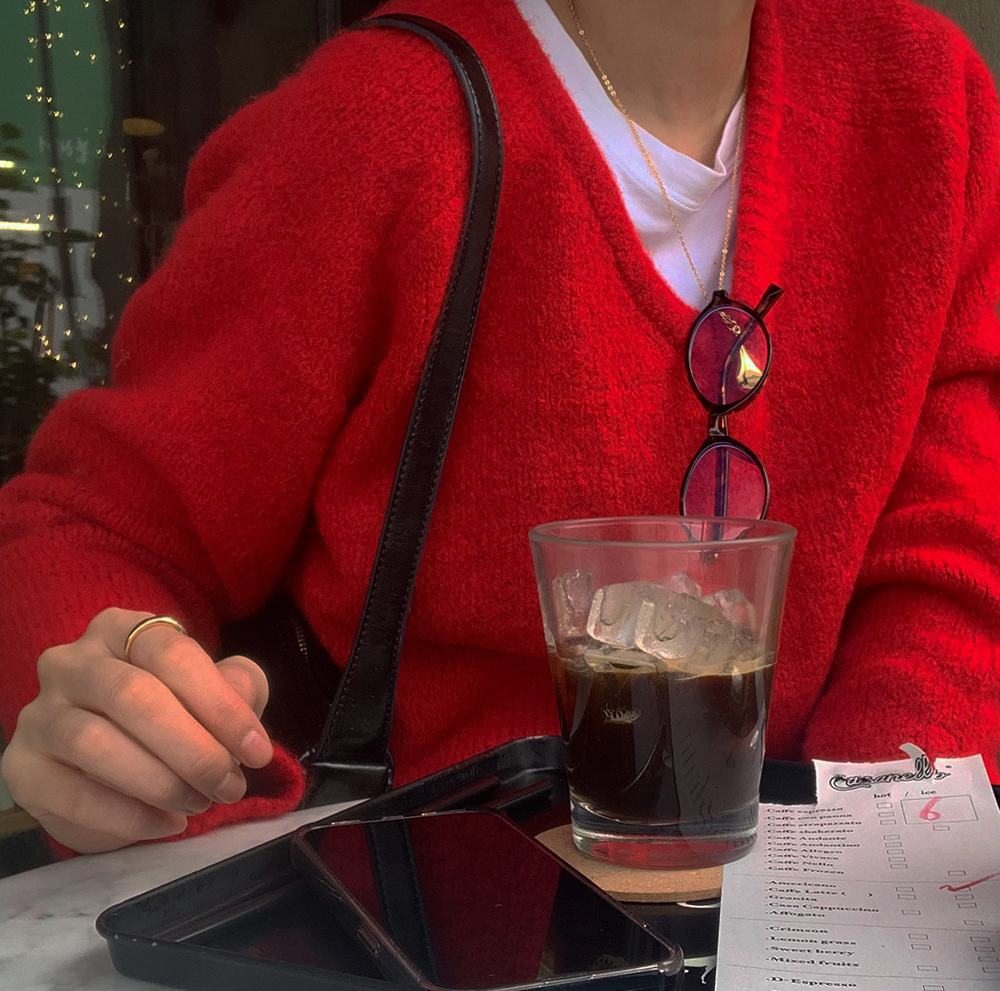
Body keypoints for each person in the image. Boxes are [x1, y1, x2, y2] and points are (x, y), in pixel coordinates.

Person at [1, 0, 998, 855]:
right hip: (435, 905)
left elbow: (954, 553)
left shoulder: (929, 101)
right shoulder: (374, 122)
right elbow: (102, 527)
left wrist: (865, 851)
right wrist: (128, 722)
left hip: (809, 904)